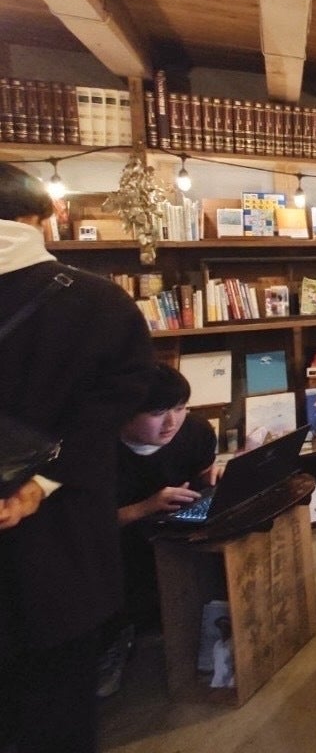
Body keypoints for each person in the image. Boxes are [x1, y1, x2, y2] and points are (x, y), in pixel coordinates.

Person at [0, 162, 154, 752]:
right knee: (57, 709)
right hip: (59, 544)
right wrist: (38, 483)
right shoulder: (99, 303)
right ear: (43, 218)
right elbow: (110, 410)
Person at [96, 364, 219, 698]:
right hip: (121, 539)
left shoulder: (196, 430)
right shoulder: (98, 449)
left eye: (179, 408)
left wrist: (214, 476)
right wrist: (147, 506)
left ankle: (211, 627)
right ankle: (115, 642)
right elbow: (87, 526)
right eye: (157, 413)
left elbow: (203, 471)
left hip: (182, 525)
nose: (171, 423)